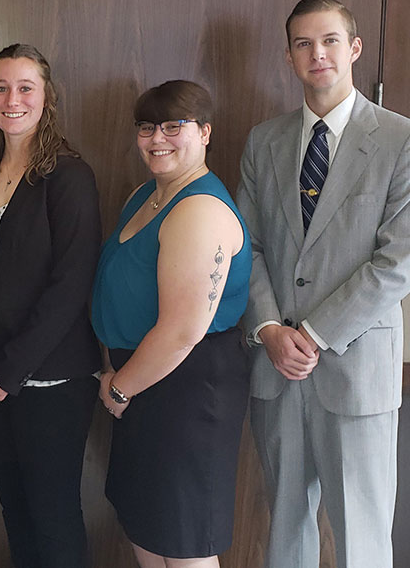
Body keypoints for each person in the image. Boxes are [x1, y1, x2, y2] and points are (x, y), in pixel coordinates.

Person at [237, 0, 410, 568]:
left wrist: (313, 334)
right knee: (284, 533)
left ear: (354, 48)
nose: (317, 53)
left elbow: (398, 262)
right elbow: (247, 246)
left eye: (329, 41)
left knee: (361, 540)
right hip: (277, 369)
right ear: (290, 57)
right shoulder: (263, 141)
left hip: (355, 369)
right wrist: (269, 329)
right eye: (303, 43)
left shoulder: (403, 140)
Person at [0, 43, 102, 568]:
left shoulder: (69, 175)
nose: (12, 99)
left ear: (47, 97)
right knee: (15, 512)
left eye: (25, 88)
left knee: (53, 518)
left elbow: (71, 284)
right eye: (1, 88)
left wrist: (8, 370)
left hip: (52, 382)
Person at [91, 80, 251, 567]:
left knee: (183, 543)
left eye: (173, 125)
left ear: (205, 133)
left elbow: (183, 330)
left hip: (186, 391)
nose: (157, 138)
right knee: (149, 530)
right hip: (146, 381)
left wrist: (121, 389)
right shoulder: (148, 194)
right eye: (147, 127)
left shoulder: (200, 209)